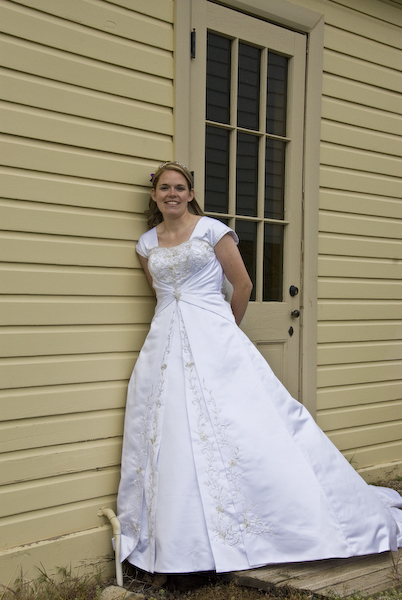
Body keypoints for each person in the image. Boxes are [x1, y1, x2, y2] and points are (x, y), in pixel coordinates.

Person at [117, 161, 402, 575]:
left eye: (179, 187)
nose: (172, 194)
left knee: (245, 423)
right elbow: (161, 293)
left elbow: (243, 284)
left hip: (216, 335)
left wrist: (224, 328)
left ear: (191, 194)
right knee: (173, 428)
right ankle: (184, 540)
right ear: (154, 195)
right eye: (164, 188)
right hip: (165, 341)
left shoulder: (212, 230)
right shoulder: (146, 244)